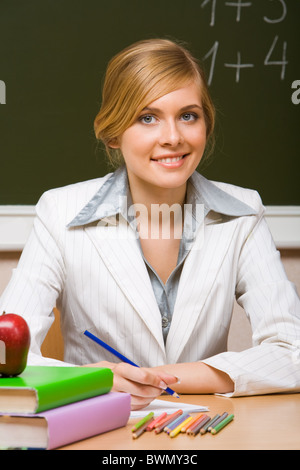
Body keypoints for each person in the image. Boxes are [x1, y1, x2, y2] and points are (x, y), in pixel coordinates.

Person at [1, 39, 300, 410]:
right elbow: (7, 363)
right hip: (96, 428)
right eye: (148, 117)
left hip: (200, 429)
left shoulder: (243, 212)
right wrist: (102, 380)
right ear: (113, 133)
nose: (173, 137)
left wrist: (160, 378)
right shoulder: (58, 211)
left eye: (188, 115)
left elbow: (292, 353)